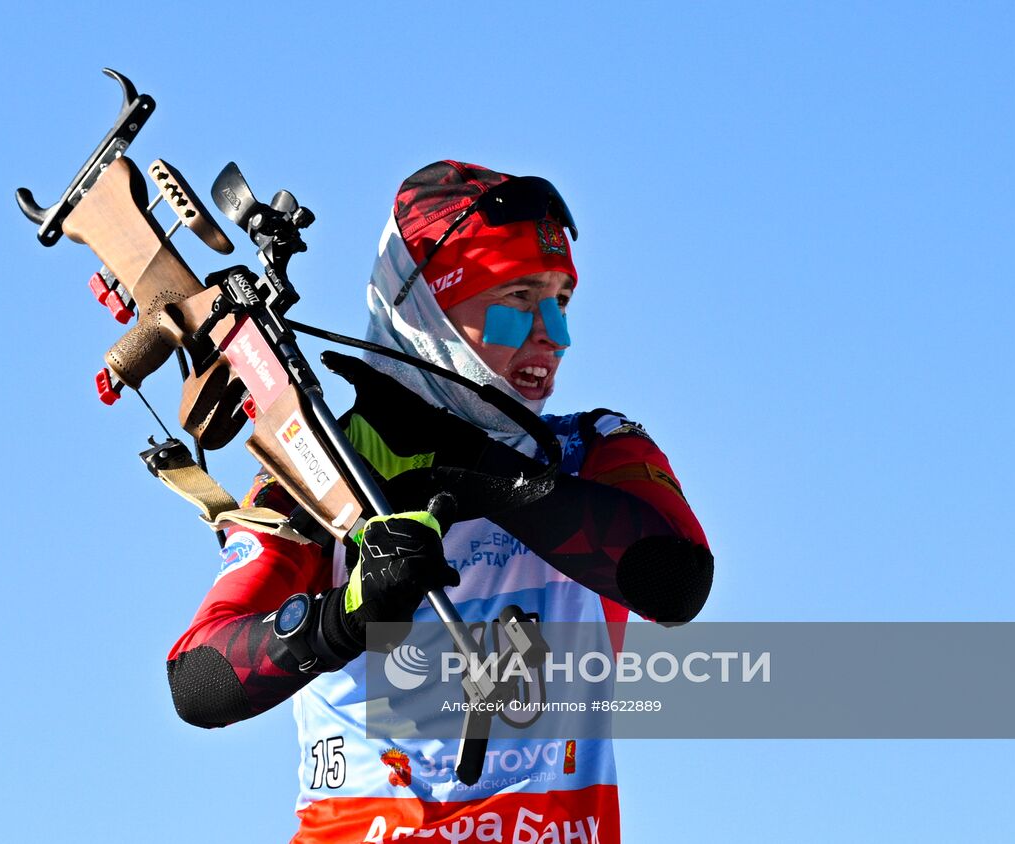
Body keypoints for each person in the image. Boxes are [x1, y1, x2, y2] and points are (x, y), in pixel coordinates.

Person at [166, 161, 713, 843]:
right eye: (518, 298)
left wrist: (471, 463)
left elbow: (675, 582)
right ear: (429, 310)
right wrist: (348, 614)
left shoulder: (595, 450)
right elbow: (197, 681)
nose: (554, 334)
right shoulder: (321, 473)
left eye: (562, 300)